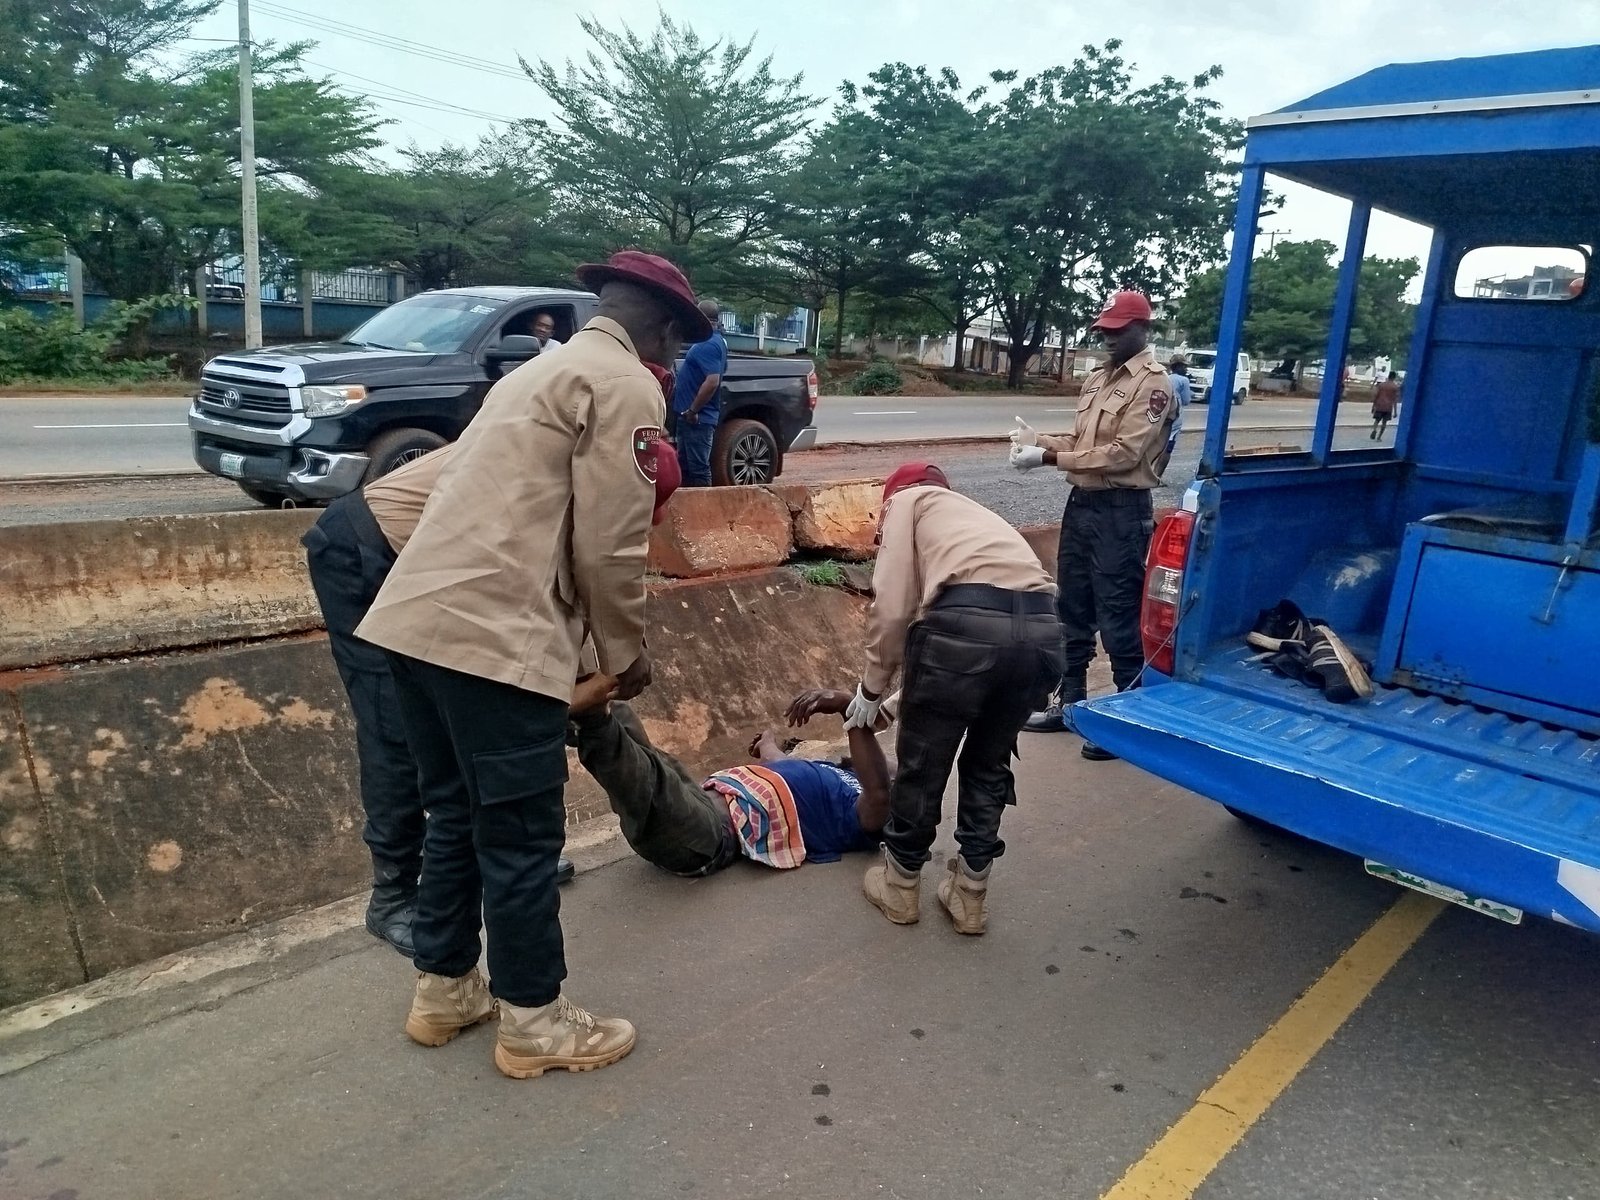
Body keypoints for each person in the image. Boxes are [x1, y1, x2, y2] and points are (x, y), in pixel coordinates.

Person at [356, 250, 713, 1081]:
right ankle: (535, 1023)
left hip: (416, 622)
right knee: (518, 835)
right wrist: (625, 657)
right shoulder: (626, 384)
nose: (674, 358)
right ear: (662, 327)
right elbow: (610, 542)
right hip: (494, 641)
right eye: (677, 341)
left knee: (453, 814)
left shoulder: (536, 372)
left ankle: (444, 992)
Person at [299, 361, 681, 956]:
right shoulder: (562, 487)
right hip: (366, 548)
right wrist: (607, 670)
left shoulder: (572, 475)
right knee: (395, 728)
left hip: (429, 563)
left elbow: (554, 625)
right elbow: (568, 602)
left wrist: (594, 674)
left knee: (508, 699)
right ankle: (393, 895)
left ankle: (500, 846)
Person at [842, 463, 1061, 935]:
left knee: (924, 763)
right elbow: (962, 642)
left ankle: (900, 886)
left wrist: (870, 688)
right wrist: (894, 703)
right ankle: (970, 896)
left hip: (966, 636)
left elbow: (896, 607)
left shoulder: (907, 502)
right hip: (1042, 634)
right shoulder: (977, 520)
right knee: (988, 764)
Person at [1010, 290, 1179, 761]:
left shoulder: (1154, 384)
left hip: (1122, 510)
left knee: (1119, 615)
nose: (1106, 336)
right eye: (1103, 328)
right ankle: (1072, 705)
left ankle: (1132, 720)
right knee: (1073, 606)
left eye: (1116, 329)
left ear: (1142, 329)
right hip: (1083, 503)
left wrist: (1047, 457)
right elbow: (1083, 440)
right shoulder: (1099, 380)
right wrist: (1037, 439)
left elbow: (1124, 454)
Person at [563, 681, 894, 877]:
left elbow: (879, 790)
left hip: (707, 837)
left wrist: (846, 706)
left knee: (610, 739)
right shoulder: (833, 773)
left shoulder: (865, 816)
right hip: (703, 793)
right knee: (616, 713)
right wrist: (769, 744)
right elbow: (778, 765)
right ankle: (561, 711)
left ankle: (570, 717)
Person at [672, 299, 727, 486]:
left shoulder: (709, 344)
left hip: (697, 420)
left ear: (702, 317)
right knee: (686, 467)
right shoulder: (715, 340)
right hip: (692, 418)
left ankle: (704, 509)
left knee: (698, 469)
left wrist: (693, 411)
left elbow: (712, 381)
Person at [1371, 370, 1400, 440]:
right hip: (1388, 407)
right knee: (1384, 423)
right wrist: (1395, 411)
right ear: (1394, 377)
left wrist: (1373, 406)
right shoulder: (1395, 387)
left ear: (1388, 376)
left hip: (1380, 405)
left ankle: (1374, 430)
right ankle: (1379, 437)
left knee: (1377, 420)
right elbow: (1395, 400)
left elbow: (1376, 395)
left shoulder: (1381, 385)